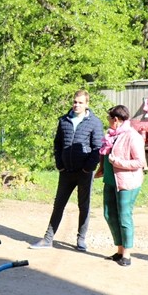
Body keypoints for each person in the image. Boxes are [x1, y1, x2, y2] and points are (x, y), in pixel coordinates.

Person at [30, 90, 104, 251]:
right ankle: (48, 239)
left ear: (87, 104)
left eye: (80, 102)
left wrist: (88, 168)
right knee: (58, 205)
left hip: (84, 173)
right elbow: (57, 144)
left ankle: (81, 239)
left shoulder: (95, 122)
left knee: (84, 206)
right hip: (66, 172)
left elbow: (98, 148)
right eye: (75, 102)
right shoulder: (64, 120)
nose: (77, 105)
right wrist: (60, 164)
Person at [95, 105, 146, 267]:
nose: (107, 121)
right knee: (109, 214)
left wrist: (117, 162)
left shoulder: (132, 136)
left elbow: (140, 162)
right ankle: (119, 250)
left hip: (127, 182)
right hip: (110, 180)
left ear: (116, 120)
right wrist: (102, 168)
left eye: (109, 118)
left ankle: (127, 254)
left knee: (124, 216)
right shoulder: (111, 135)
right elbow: (105, 153)